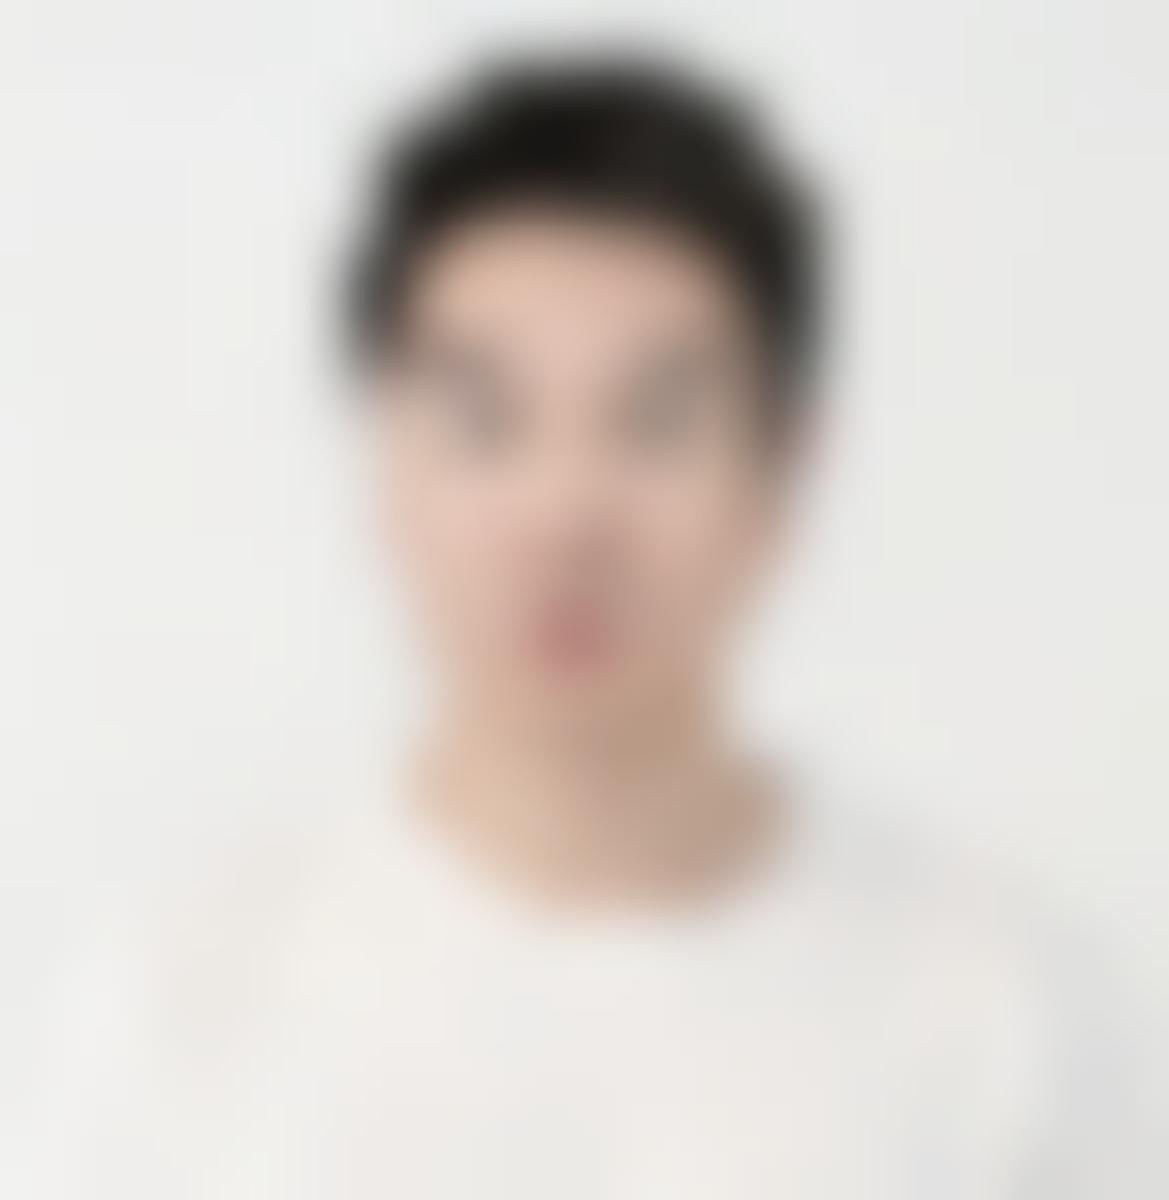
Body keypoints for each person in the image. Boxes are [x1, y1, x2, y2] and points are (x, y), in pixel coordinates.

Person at [19, 57, 1163, 1199]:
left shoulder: (999, 1020)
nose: (565, 511)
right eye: (486, 420)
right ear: (384, 462)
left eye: (655, 421)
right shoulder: (171, 1009)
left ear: (783, 467)